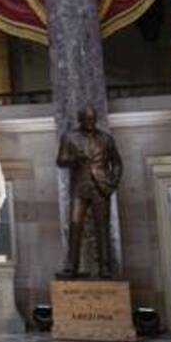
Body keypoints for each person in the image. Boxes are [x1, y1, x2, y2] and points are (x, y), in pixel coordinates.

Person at [56, 107, 122, 279]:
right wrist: (74, 159)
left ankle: (105, 268)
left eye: (93, 119)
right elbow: (60, 160)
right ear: (81, 120)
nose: (90, 123)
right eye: (87, 119)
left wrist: (112, 182)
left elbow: (117, 163)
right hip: (79, 188)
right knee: (75, 226)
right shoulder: (70, 137)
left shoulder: (106, 139)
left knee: (102, 227)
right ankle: (72, 267)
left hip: (100, 188)